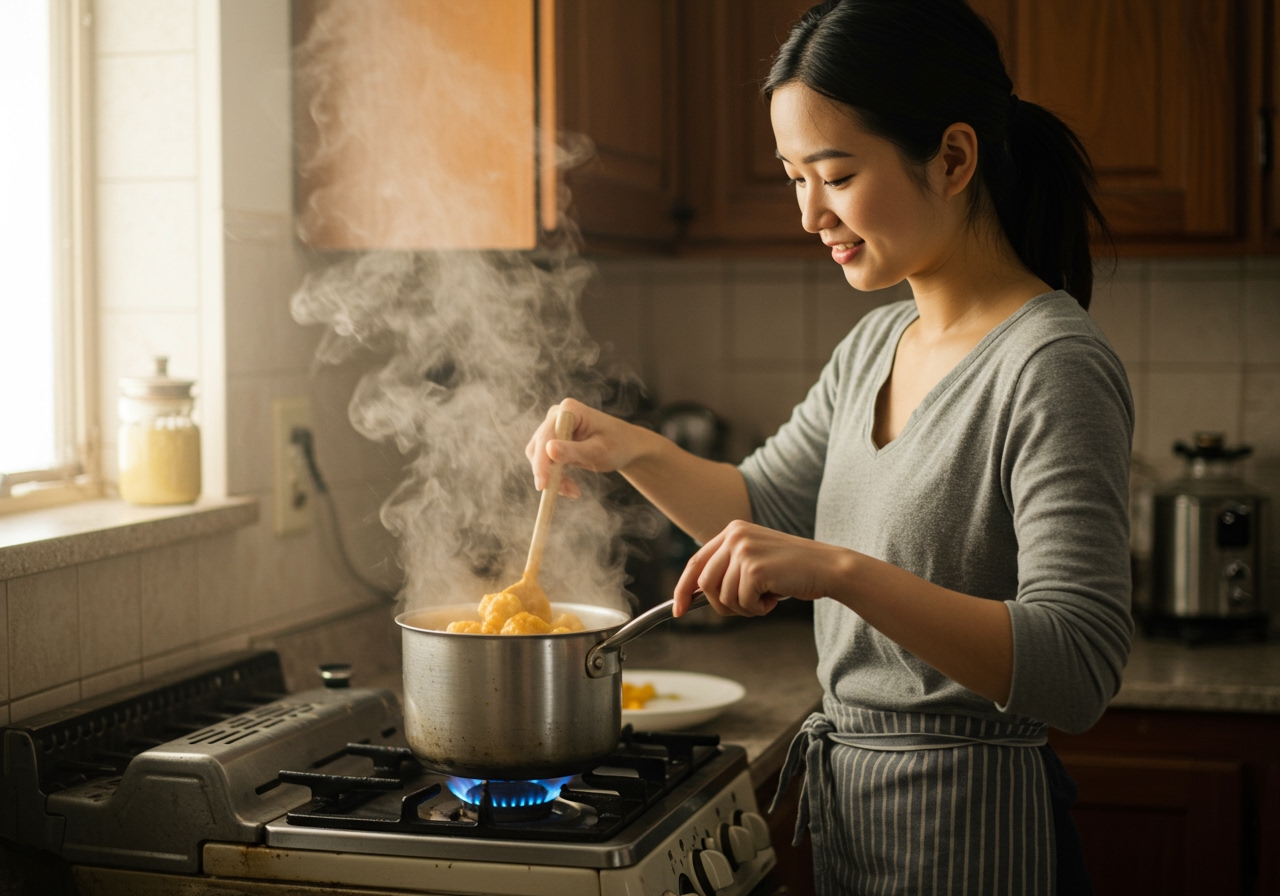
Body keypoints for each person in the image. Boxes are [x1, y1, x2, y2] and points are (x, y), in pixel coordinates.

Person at [527, 1, 1132, 892]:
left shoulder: (1050, 364)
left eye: (836, 175)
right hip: (858, 818)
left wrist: (837, 571)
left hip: (979, 826)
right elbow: (757, 509)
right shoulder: (874, 345)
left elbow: (1078, 666)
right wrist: (629, 450)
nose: (810, 214)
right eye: (792, 178)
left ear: (954, 157)